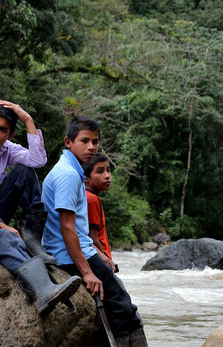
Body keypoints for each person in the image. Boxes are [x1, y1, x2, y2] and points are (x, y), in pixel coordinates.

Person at [0, 100, 80, 316]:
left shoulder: (6, 148)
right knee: (9, 240)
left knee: (25, 172)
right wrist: (0, 226)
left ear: (9, 135)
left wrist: (27, 119)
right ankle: (44, 290)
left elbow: (37, 160)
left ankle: (32, 237)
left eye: (2, 130)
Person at [41, 117, 147, 347]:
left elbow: (77, 227)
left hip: (75, 247)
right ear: (69, 142)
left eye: (95, 141)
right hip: (67, 252)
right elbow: (67, 227)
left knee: (120, 299)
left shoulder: (71, 170)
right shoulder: (68, 175)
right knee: (121, 304)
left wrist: (98, 254)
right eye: (84, 141)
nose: (91, 147)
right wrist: (87, 272)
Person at [84, 153, 113, 260]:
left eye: (108, 170)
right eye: (100, 171)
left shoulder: (84, 196)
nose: (107, 176)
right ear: (86, 178)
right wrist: (106, 261)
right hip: (99, 257)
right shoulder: (91, 199)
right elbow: (93, 238)